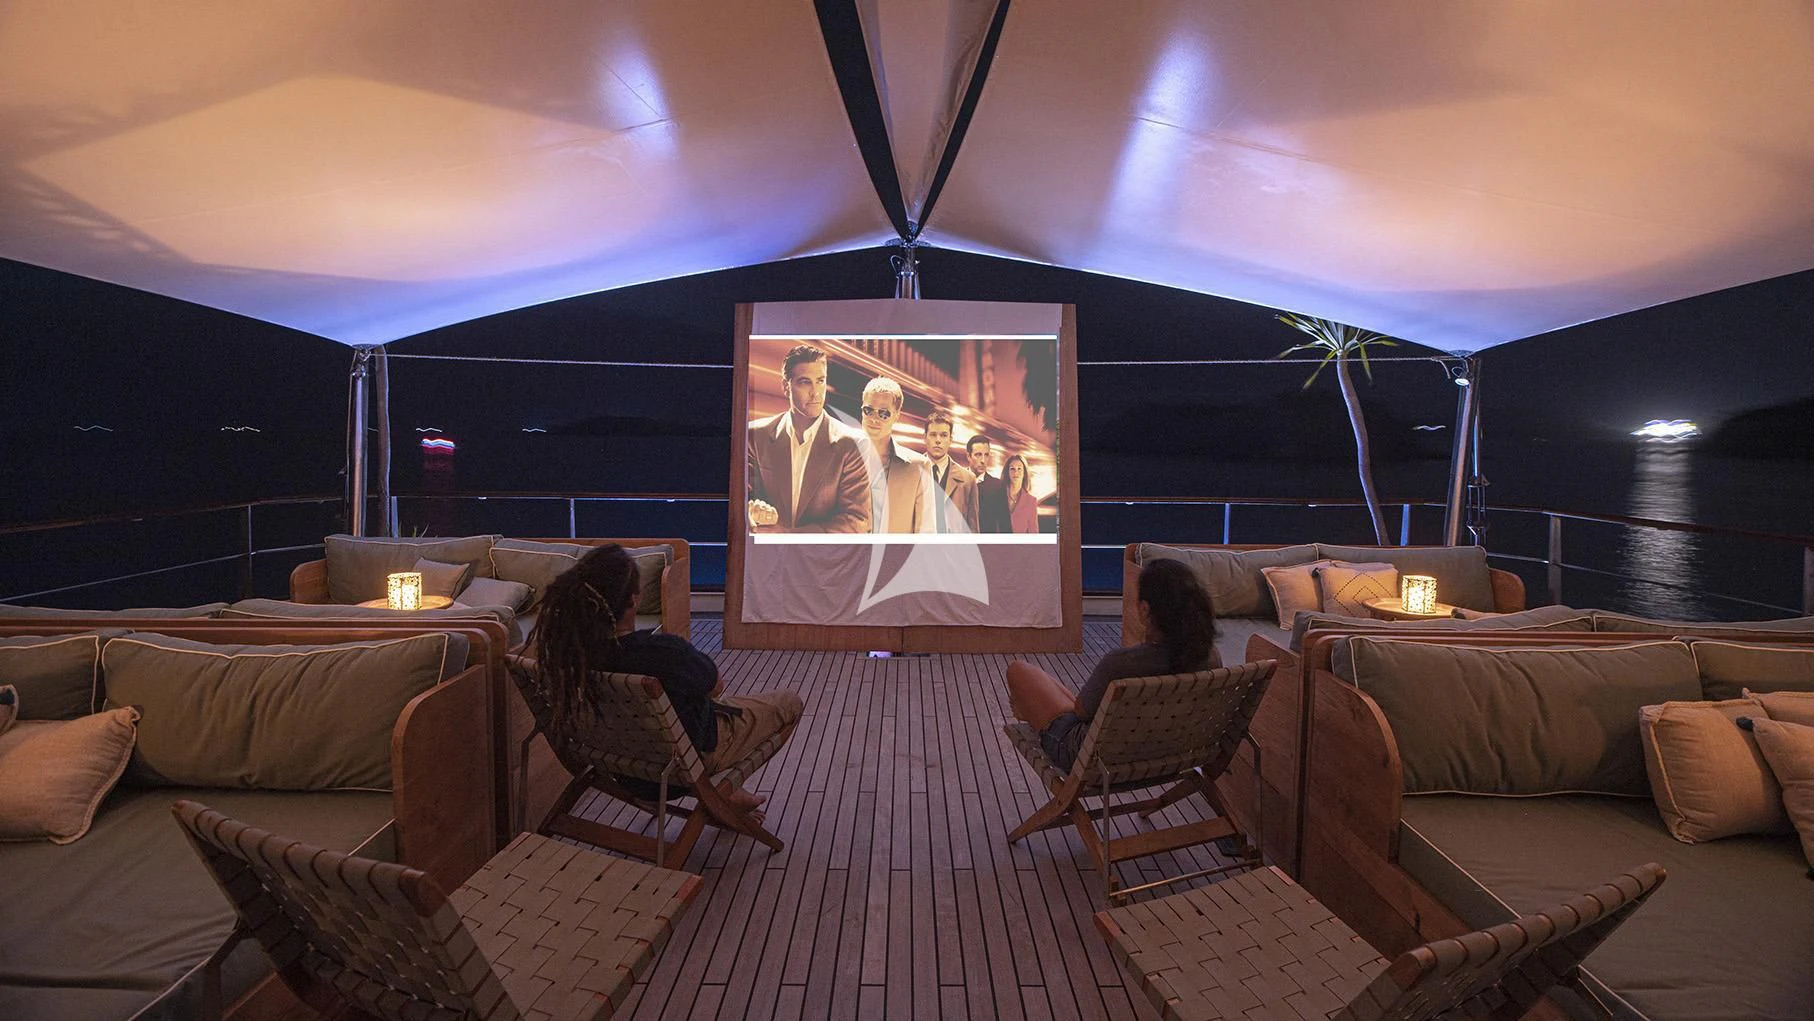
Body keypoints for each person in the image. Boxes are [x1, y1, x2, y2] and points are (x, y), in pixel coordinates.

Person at [531, 544, 804, 820]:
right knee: (788, 703)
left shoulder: (569, 656)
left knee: (695, 704)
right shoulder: (663, 652)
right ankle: (721, 790)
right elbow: (716, 685)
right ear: (634, 600)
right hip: (680, 766)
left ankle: (727, 792)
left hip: (621, 767)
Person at [1005, 558, 1220, 772]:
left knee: (1019, 671)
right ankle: (1032, 709)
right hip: (1170, 751)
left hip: (1090, 757)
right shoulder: (1210, 657)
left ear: (1145, 610)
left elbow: (1080, 712)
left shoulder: (1122, 664)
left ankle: (1029, 711)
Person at [747, 344, 870, 533]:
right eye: (805, 382)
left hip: (824, 560)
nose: (816, 392)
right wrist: (753, 513)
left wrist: (787, 536)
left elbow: (856, 522)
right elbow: (740, 503)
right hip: (766, 557)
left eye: (820, 381)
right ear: (785, 387)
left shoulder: (852, 444)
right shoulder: (755, 436)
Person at [857, 376, 934, 533]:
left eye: (884, 413)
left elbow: (926, 532)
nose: (874, 419)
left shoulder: (919, 466)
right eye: (868, 410)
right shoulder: (840, 458)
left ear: (897, 415)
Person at [922, 410, 978, 533]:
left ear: (950, 439)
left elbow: (973, 528)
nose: (938, 440)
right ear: (924, 437)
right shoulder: (911, 473)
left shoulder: (968, 479)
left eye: (943, 435)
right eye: (933, 434)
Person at [968, 434, 1011, 533]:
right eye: (978, 455)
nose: (983, 460)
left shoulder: (998, 486)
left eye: (986, 455)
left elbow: (1005, 525)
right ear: (968, 456)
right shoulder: (957, 482)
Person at [1003, 453, 1039, 534]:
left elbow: (1034, 534)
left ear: (1024, 473)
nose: (1016, 472)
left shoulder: (1031, 501)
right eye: (1012, 469)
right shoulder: (997, 496)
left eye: (1019, 469)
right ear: (1007, 472)